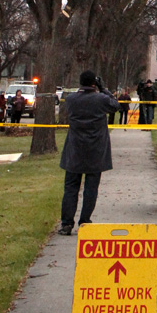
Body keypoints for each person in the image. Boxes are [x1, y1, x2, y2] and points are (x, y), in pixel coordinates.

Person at [58, 70, 119, 235]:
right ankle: (85, 221)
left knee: (70, 187)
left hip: (74, 149)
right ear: (94, 83)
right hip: (96, 150)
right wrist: (103, 89)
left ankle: (66, 223)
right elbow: (115, 105)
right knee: (91, 188)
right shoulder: (101, 100)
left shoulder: (71, 100)